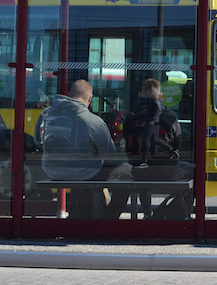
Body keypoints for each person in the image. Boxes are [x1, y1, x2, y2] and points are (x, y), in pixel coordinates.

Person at [37, 79, 132, 219]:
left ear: (69, 94)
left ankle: (78, 212)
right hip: (83, 172)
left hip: (52, 170)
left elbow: (38, 141)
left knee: (82, 170)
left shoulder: (46, 114)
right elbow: (109, 153)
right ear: (90, 98)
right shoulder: (93, 121)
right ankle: (110, 216)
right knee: (128, 172)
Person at [136, 78, 180, 169]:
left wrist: (153, 120)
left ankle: (144, 161)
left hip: (151, 122)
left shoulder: (154, 99)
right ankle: (171, 150)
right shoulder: (150, 98)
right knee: (154, 139)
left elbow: (158, 110)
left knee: (146, 140)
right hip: (150, 121)